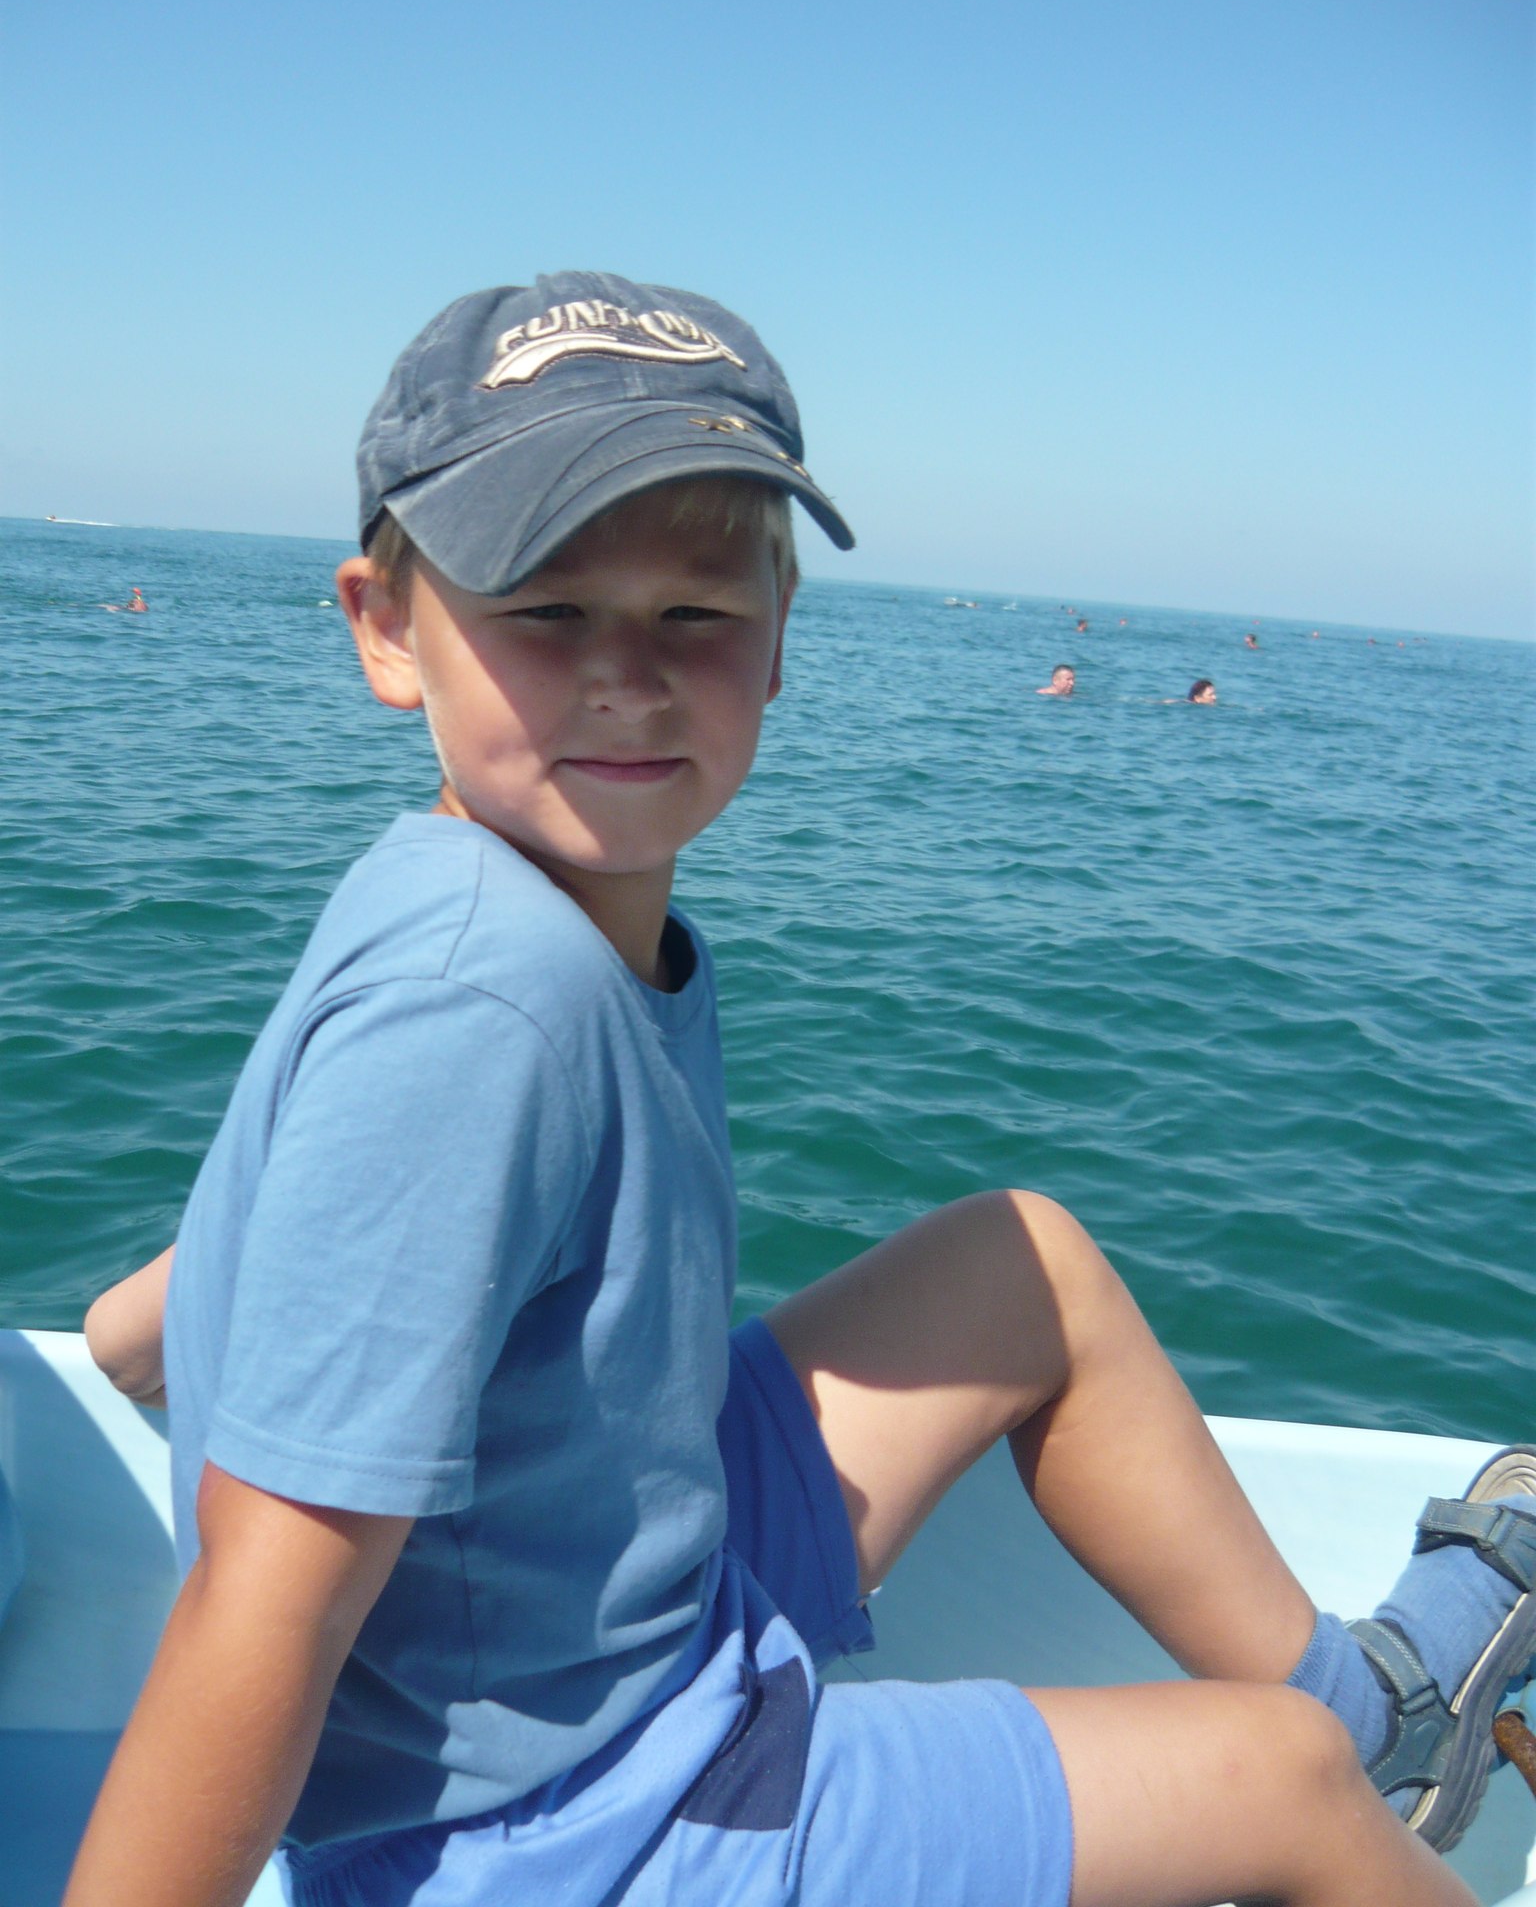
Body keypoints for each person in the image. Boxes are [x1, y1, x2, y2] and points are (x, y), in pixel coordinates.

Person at [71, 272, 1533, 1907]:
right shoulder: (485, 1004)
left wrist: (138, 1341)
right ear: (388, 630)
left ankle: (1391, 1722)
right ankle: (1357, 1752)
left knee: (1019, 1265)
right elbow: (264, 1604)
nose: (628, 675)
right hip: (561, 1825)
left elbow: (212, 1282)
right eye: (545, 609)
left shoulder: (472, 897)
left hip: (609, 1591)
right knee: (1283, 1786)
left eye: (694, 613)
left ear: (777, 642)